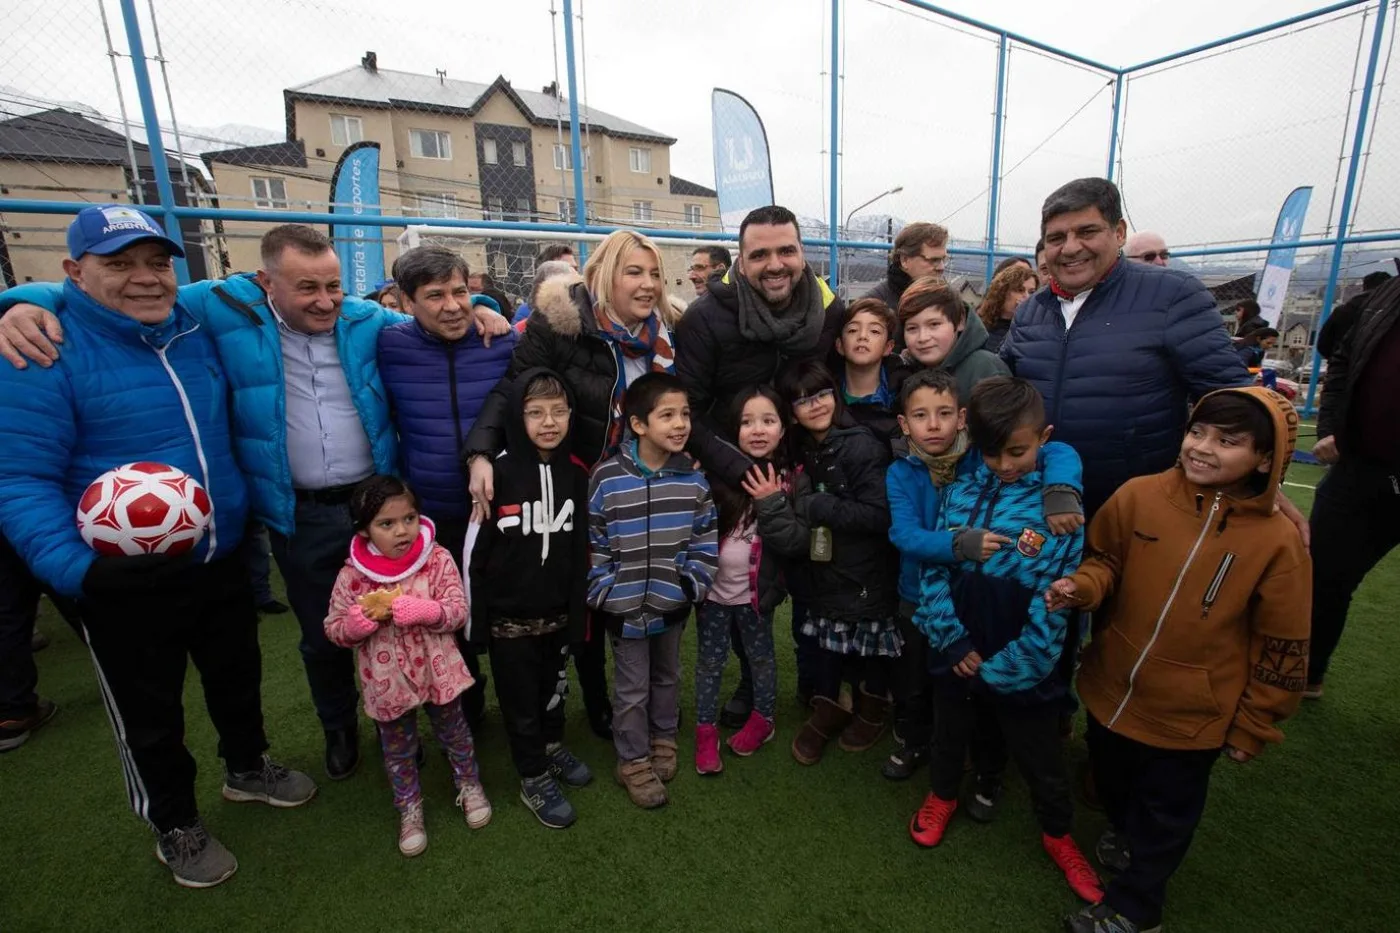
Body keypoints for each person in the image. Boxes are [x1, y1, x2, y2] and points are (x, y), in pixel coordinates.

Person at [0, 222, 512, 781]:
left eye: (333, 286)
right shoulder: (218, 309)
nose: (325, 301)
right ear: (266, 281)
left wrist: (483, 303)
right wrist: (22, 301)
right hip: (302, 511)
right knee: (324, 634)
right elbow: (118, 291)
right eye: (306, 288)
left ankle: (434, 712)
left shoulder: (368, 320)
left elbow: (435, 308)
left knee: (414, 616)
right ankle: (339, 728)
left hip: (380, 505)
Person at [0, 206, 316, 888]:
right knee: (150, 713)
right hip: (121, 579)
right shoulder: (42, 346)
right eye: (118, 264)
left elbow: (282, 291)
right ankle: (173, 821)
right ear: (73, 273)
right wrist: (80, 572)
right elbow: (18, 477)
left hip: (220, 553)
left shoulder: (196, 324)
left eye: (156, 263)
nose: (144, 279)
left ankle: (246, 766)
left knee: (237, 677)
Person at [1048, 388, 1309, 933]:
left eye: (1227, 441)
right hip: (1110, 688)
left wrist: (1255, 722)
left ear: (1266, 458)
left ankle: (1136, 909)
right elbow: (1104, 559)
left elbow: (1283, 641)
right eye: (1197, 432)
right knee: (1113, 784)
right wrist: (1082, 587)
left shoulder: (1278, 541)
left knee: (1166, 815)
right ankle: (1123, 829)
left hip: (1192, 717)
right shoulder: (1139, 496)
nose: (1203, 448)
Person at [465, 229, 684, 741]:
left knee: (632, 597)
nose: (648, 283)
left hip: (638, 487)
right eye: (634, 271)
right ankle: (592, 701)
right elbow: (513, 389)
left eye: (654, 273)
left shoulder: (667, 334)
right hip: (575, 486)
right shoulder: (560, 324)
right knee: (582, 598)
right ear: (605, 275)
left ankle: (633, 699)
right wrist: (479, 452)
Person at [908, 377, 1101, 905]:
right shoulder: (959, 492)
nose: (1005, 464)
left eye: (1017, 451)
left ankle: (1058, 833)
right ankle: (942, 794)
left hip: (1023, 662)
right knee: (950, 732)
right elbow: (935, 568)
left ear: (1045, 438)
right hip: (957, 646)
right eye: (992, 453)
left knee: (1040, 756)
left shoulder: (1060, 510)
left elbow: (1056, 599)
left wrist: (1009, 665)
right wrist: (951, 642)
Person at [1001, 178, 1257, 521]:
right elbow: (1002, 391)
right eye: (1057, 238)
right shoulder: (1031, 311)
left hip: (1136, 511)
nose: (1071, 247)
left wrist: (1256, 484)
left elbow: (1232, 399)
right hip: (1042, 506)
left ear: (1119, 232)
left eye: (1087, 232)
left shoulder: (1171, 295)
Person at [882, 369, 1082, 782]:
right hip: (918, 596)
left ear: (963, 418)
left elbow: (1055, 449)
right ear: (904, 423)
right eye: (921, 415)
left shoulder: (983, 452)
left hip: (977, 601)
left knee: (971, 684)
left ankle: (980, 760)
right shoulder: (901, 470)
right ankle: (916, 741)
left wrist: (1062, 485)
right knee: (918, 683)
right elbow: (903, 534)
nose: (933, 425)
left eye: (943, 413)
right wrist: (957, 546)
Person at [323, 475, 490, 858]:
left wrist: (429, 611)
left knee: (456, 732)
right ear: (364, 530)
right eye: (387, 524)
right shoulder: (352, 575)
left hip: (438, 671)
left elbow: (457, 611)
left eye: (410, 518)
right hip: (387, 683)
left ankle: (469, 784)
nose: (402, 531)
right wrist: (354, 625)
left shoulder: (436, 558)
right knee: (398, 749)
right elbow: (332, 629)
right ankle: (409, 808)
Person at [465, 369, 592, 829]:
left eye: (559, 411)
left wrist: (578, 618)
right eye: (535, 412)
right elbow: (474, 552)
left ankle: (552, 746)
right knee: (518, 702)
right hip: (507, 621)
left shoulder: (577, 474)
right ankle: (532, 773)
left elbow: (581, 553)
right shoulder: (496, 473)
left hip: (557, 615)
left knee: (554, 692)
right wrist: (477, 624)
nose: (549, 421)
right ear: (517, 417)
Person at [587, 372, 718, 808]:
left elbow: (704, 541)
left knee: (667, 677)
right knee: (631, 688)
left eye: (684, 414)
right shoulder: (606, 478)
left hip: (672, 605)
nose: (680, 424)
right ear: (638, 424)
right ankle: (632, 760)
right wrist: (605, 592)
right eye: (668, 415)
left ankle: (664, 739)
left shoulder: (694, 482)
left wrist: (689, 585)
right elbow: (594, 541)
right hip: (624, 610)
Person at [773, 361, 900, 765]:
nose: (815, 405)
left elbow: (880, 516)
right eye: (803, 400)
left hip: (866, 569)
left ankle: (872, 707)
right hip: (825, 569)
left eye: (822, 394)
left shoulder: (859, 444)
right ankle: (831, 705)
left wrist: (819, 506)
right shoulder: (799, 447)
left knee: (871, 642)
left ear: (837, 394)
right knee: (828, 639)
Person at [1307, 276, 1400, 699]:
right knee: (1319, 574)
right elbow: (1339, 355)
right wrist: (1329, 428)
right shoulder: (1385, 294)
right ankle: (1306, 672)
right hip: (1361, 468)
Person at [693, 386, 794, 774]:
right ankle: (705, 731)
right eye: (747, 422)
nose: (757, 430)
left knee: (761, 658)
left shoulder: (789, 479)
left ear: (783, 429)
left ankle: (764, 718)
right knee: (709, 663)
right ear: (732, 431)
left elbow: (791, 539)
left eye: (768, 421)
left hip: (755, 597)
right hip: (713, 596)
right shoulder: (716, 477)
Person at [893, 277, 1009, 403]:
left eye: (934, 324)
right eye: (912, 328)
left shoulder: (986, 370)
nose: (923, 337)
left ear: (960, 321)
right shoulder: (902, 371)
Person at [836, 297, 899, 442]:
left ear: (888, 347)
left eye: (875, 331)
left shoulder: (903, 398)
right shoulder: (826, 400)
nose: (862, 336)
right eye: (852, 330)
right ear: (839, 345)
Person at [864, 222, 950, 311]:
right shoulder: (871, 309)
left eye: (943, 259)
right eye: (933, 260)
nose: (941, 267)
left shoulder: (948, 302)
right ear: (904, 260)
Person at [1317, 270, 1392, 359]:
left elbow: (1323, 344)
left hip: (1342, 368)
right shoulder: (1391, 312)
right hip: (1379, 368)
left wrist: (1337, 360)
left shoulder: (1343, 311)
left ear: (1364, 287)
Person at [980, 264, 1040, 354]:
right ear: (1002, 292)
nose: (1027, 297)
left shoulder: (1037, 333)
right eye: (1019, 290)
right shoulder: (979, 330)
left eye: (1031, 292)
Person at [512, 245, 580, 324]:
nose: (575, 274)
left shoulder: (584, 306)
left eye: (576, 269)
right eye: (567, 269)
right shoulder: (527, 313)